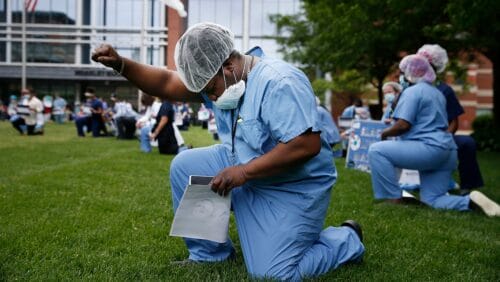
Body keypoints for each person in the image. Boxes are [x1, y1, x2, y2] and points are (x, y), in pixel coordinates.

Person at [92, 22, 364, 280]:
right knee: (185, 165)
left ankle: (346, 238)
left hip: (290, 185)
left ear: (230, 65)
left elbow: (306, 145)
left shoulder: (279, 81)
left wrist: (244, 172)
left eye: (210, 89)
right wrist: (122, 64)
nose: (209, 98)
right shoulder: (222, 77)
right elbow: (165, 83)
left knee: (272, 274)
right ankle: (210, 255)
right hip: (244, 167)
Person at [368, 54, 500, 217]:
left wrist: (384, 134)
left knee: (377, 150)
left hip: (427, 149)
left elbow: (403, 125)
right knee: (433, 199)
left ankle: (393, 199)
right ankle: (469, 201)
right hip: (447, 151)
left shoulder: (412, 92)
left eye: (403, 72)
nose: (401, 76)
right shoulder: (437, 93)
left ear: (410, 73)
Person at [417, 44, 484, 193]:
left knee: (467, 143)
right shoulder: (411, 88)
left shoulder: (445, 90)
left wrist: (444, 138)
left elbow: (454, 121)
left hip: (440, 137)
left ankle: (468, 185)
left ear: (435, 67)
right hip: (416, 138)